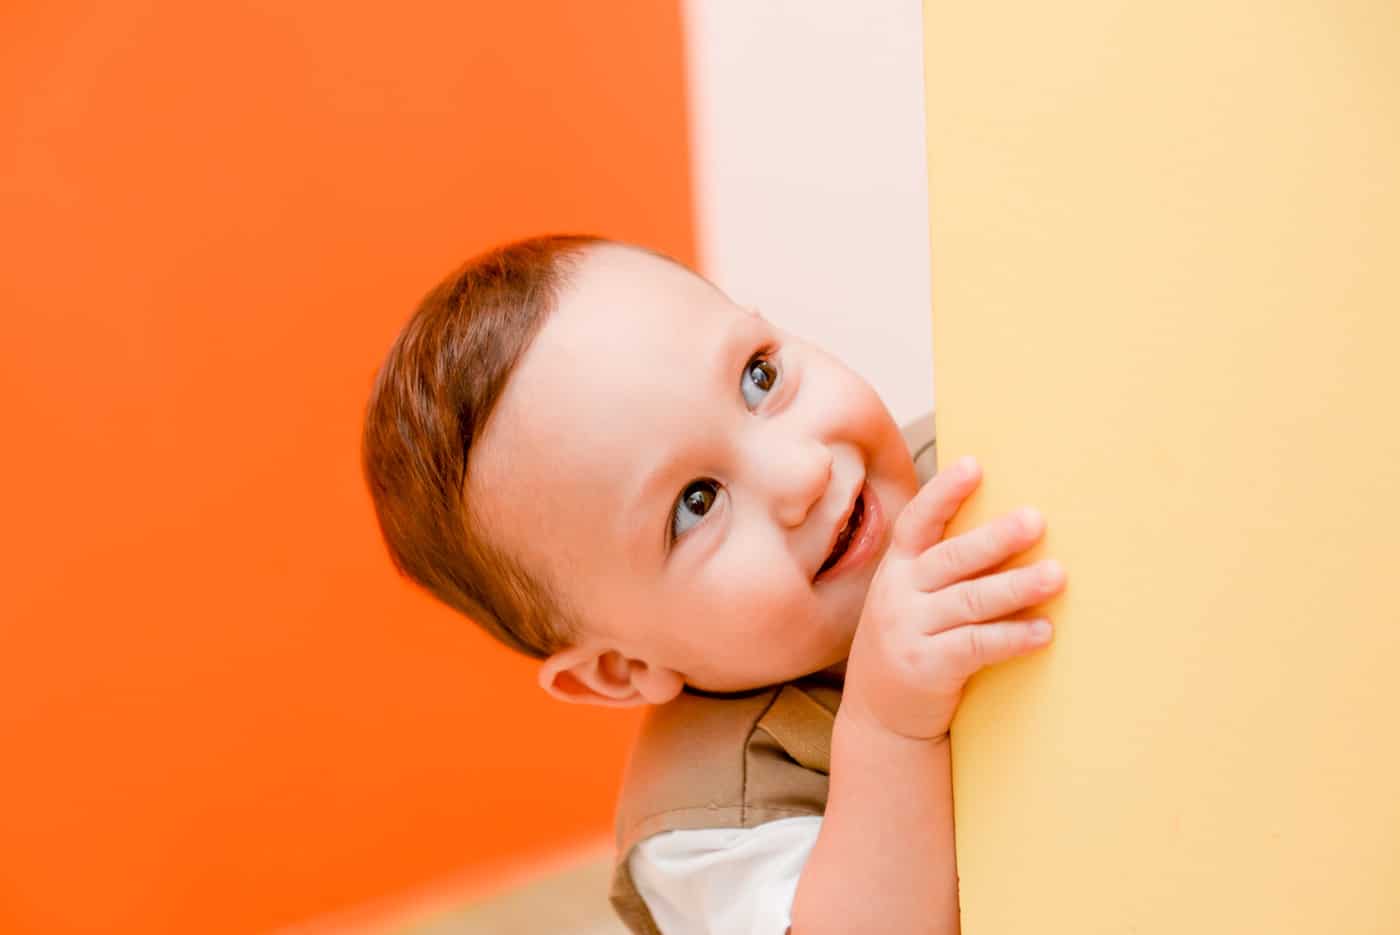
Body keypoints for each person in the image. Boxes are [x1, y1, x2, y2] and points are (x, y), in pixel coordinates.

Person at [361, 234, 1067, 934]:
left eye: (759, 377)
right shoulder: (708, 823)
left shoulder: (970, 462)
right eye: (695, 503)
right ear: (622, 668)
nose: (802, 472)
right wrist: (887, 726)